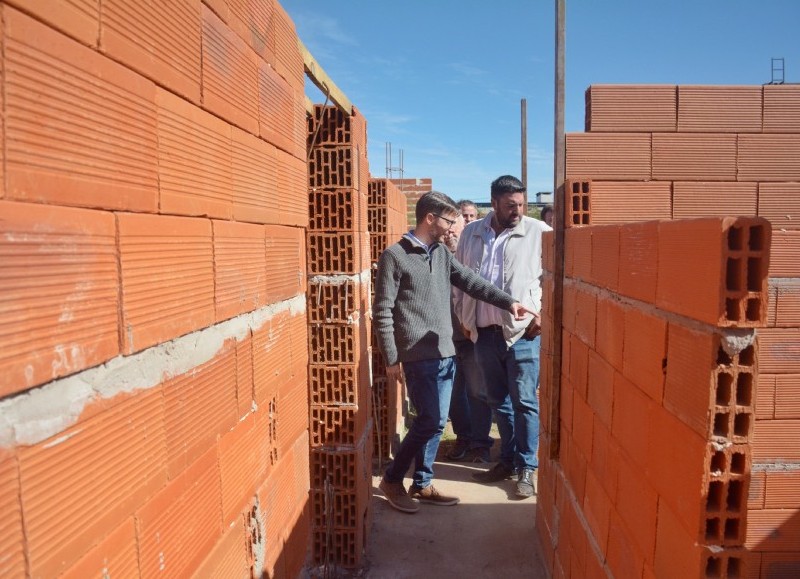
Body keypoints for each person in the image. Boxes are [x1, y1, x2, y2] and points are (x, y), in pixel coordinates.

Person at [374, 190, 533, 514]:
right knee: (430, 421)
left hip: (445, 351)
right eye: (448, 220)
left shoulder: (442, 254)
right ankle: (392, 479)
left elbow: (471, 282)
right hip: (417, 354)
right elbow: (383, 311)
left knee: (433, 421)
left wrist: (508, 302)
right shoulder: (395, 256)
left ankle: (422, 482)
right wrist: (391, 357)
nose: (452, 227)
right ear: (430, 219)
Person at [454, 175, 551, 498]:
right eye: (511, 205)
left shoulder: (538, 232)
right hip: (483, 332)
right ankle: (507, 460)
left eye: (521, 204)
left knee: (525, 402)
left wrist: (545, 316)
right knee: (499, 402)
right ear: (494, 202)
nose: (518, 211)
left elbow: (557, 276)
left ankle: (527, 467)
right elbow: (460, 279)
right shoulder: (471, 233)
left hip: (523, 334)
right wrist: (464, 316)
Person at [442, 214, 493, 464]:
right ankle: (463, 438)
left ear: (465, 230)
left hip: (470, 335)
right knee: (451, 393)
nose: (451, 233)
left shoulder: (472, 258)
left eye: (456, 228)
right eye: (448, 227)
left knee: (477, 391)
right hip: (445, 338)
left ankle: (480, 444)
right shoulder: (436, 256)